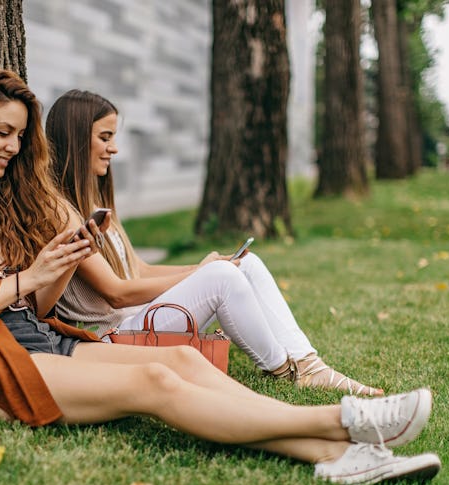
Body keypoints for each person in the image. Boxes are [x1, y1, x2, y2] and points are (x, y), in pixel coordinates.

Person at [0, 69, 440, 485]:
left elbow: (36, 310)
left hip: (44, 341)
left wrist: (51, 270)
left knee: (178, 359)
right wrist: (30, 274)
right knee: (156, 385)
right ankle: (345, 424)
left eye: (17, 136)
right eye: (1, 133)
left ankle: (337, 458)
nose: (12, 148)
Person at [46, 90, 382, 396]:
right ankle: (284, 368)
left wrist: (201, 266)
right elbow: (116, 293)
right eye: (105, 138)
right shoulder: (61, 212)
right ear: (76, 139)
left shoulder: (94, 197)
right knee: (222, 278)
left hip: (138, 319)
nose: (114, 148)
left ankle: (309, 363)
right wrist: (205, 272)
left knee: (244, 263)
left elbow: (139, 269)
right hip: (112, 338)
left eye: (113, 137)